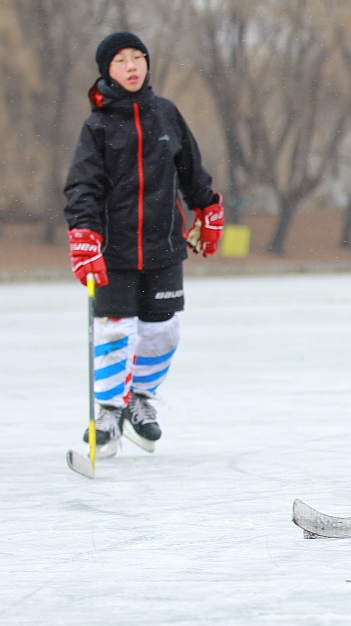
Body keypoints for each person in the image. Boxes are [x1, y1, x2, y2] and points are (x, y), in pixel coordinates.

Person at [64, 31, 223, 457]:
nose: (133, 66)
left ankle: (140, 401)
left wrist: (207, 208)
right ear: (107, 71)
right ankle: (109, 413)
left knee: (162, 331)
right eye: (122, 61)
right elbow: (82, 187)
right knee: (115, 329)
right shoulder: (96, 126)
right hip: (113, 250)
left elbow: (191, 169)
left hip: (163, 245)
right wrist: (83, 236)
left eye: (138, 58)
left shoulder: (166, 114)